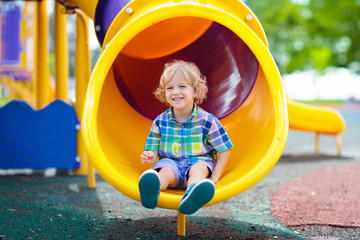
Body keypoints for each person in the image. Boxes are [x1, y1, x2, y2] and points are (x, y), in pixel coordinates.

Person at [138, 60, 233, 215]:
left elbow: (225, 149)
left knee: (199, 169)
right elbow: (152, 149)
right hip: (172, 163)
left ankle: (193, 193)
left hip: (198, 161)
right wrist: (150, 156)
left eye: (182, 86)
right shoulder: (160, 121)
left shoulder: (207, 120)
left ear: (194, 91)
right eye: (170, 88)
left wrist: (215, 176)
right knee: (165, 171)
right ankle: (152, 189)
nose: (175, 92)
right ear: (164, 93)